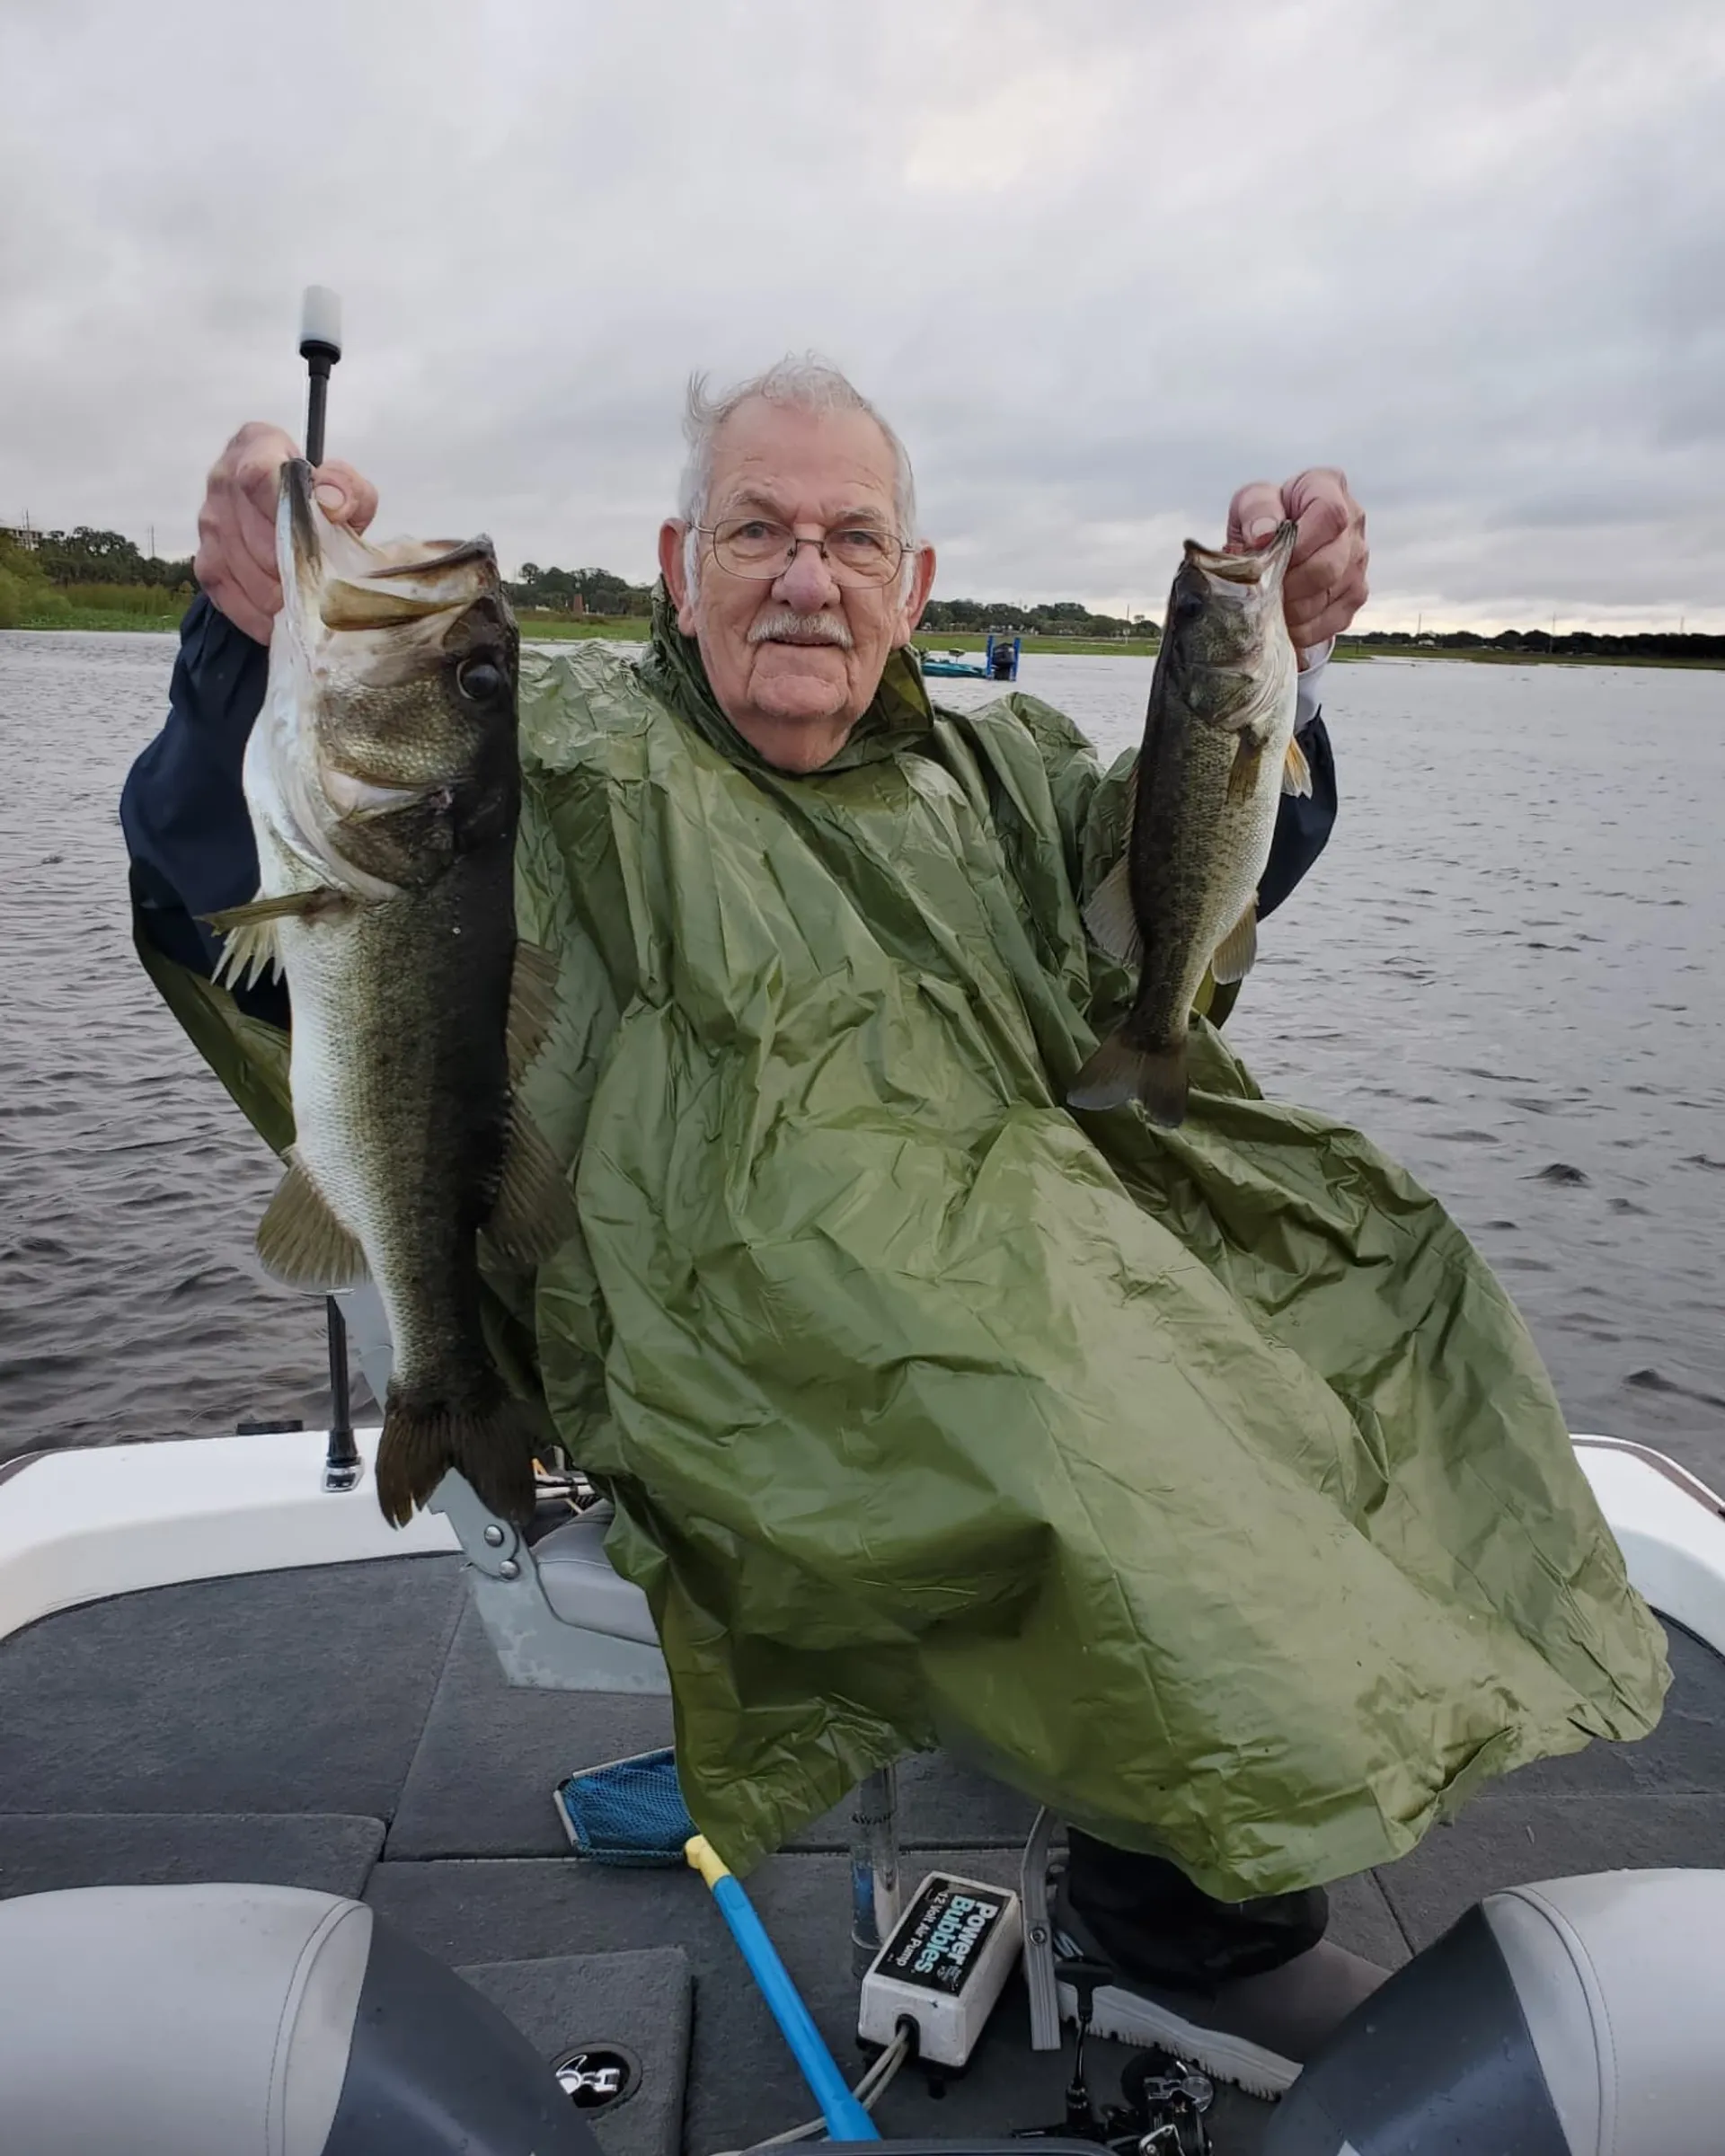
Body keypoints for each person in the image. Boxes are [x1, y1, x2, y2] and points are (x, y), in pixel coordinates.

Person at [120, 359, 1667, 2096]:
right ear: (676, 565)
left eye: (855, 539)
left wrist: (1287, 661)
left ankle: (1156, 1807)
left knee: (1377, 1291)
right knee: (1144, 1449)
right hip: (745, 1329)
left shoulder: (997, 769)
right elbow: (237, 880)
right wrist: (237, 642)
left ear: (915, 586)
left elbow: (1193, 858)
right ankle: (1182, 1936)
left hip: (1024, 1266)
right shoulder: (551, 753)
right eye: (757, 532)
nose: (809, 577)